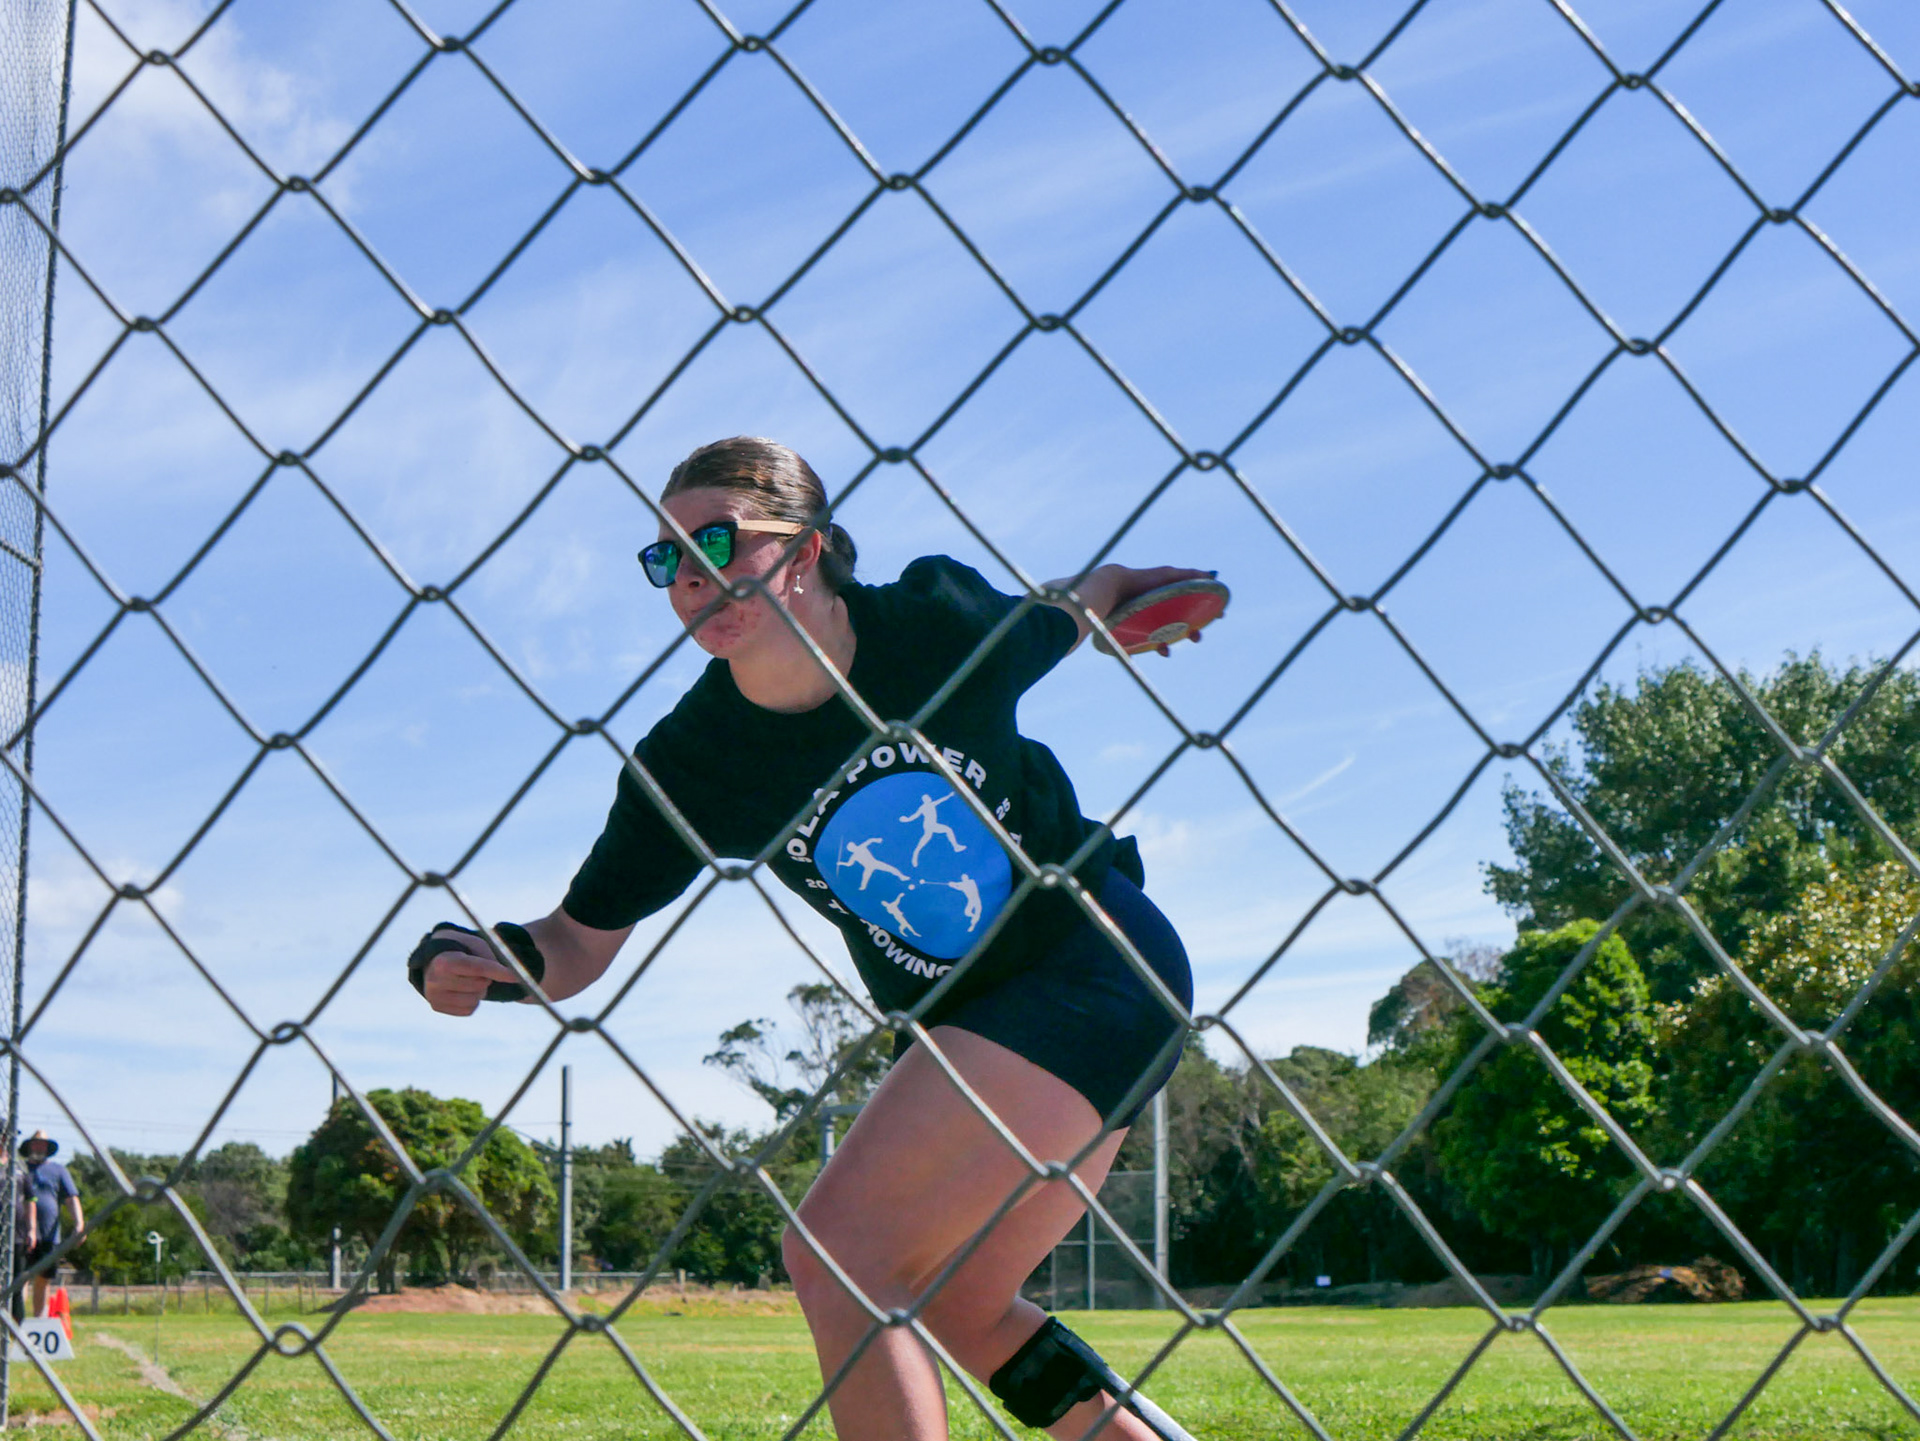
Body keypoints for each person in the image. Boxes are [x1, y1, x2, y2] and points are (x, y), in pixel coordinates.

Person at [411, 437, 1201, 1440]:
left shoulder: (935, 625)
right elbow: (574, 942)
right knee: (960, 1302)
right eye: (665, 558)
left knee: (840, 1249)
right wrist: (477, 957)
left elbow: (1064, 610)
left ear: (808, 546)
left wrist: (1126, 591)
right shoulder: (693, 764)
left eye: (717, 541)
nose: (690, 575)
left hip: (1092, 957)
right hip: (977, 1027)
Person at [19, 1132, 79, 1319]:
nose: (39, 1147)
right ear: (29, 1146)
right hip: (21, 1234)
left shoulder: (58, 1170)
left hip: (48, 1235)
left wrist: (79, 1224)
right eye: (36, 1144)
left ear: (47, 1148)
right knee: (20, 1279)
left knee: (43, 1279)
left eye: (42, 1145)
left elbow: (71, 1198)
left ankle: (39, 1322)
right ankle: (17, 1321)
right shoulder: (19, 1168)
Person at [5, 1137, 36, 1325]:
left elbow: (30, 1200)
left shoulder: (19, 1166)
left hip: (17, 1234)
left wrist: (32, 1230)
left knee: (17, 1281)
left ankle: (16, 1327)